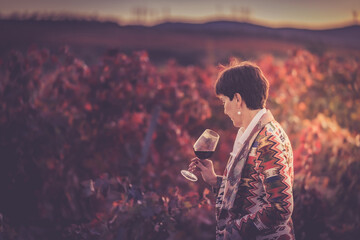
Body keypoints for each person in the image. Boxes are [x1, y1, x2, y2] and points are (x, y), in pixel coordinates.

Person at [189, 61, 295, 240]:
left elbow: (281, 208)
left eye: (224, 101)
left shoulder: (266, 140)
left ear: (237, 99)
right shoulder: (251, 134)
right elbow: (253, 190)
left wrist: (233, 232)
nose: (224, 110)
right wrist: (216, 182)